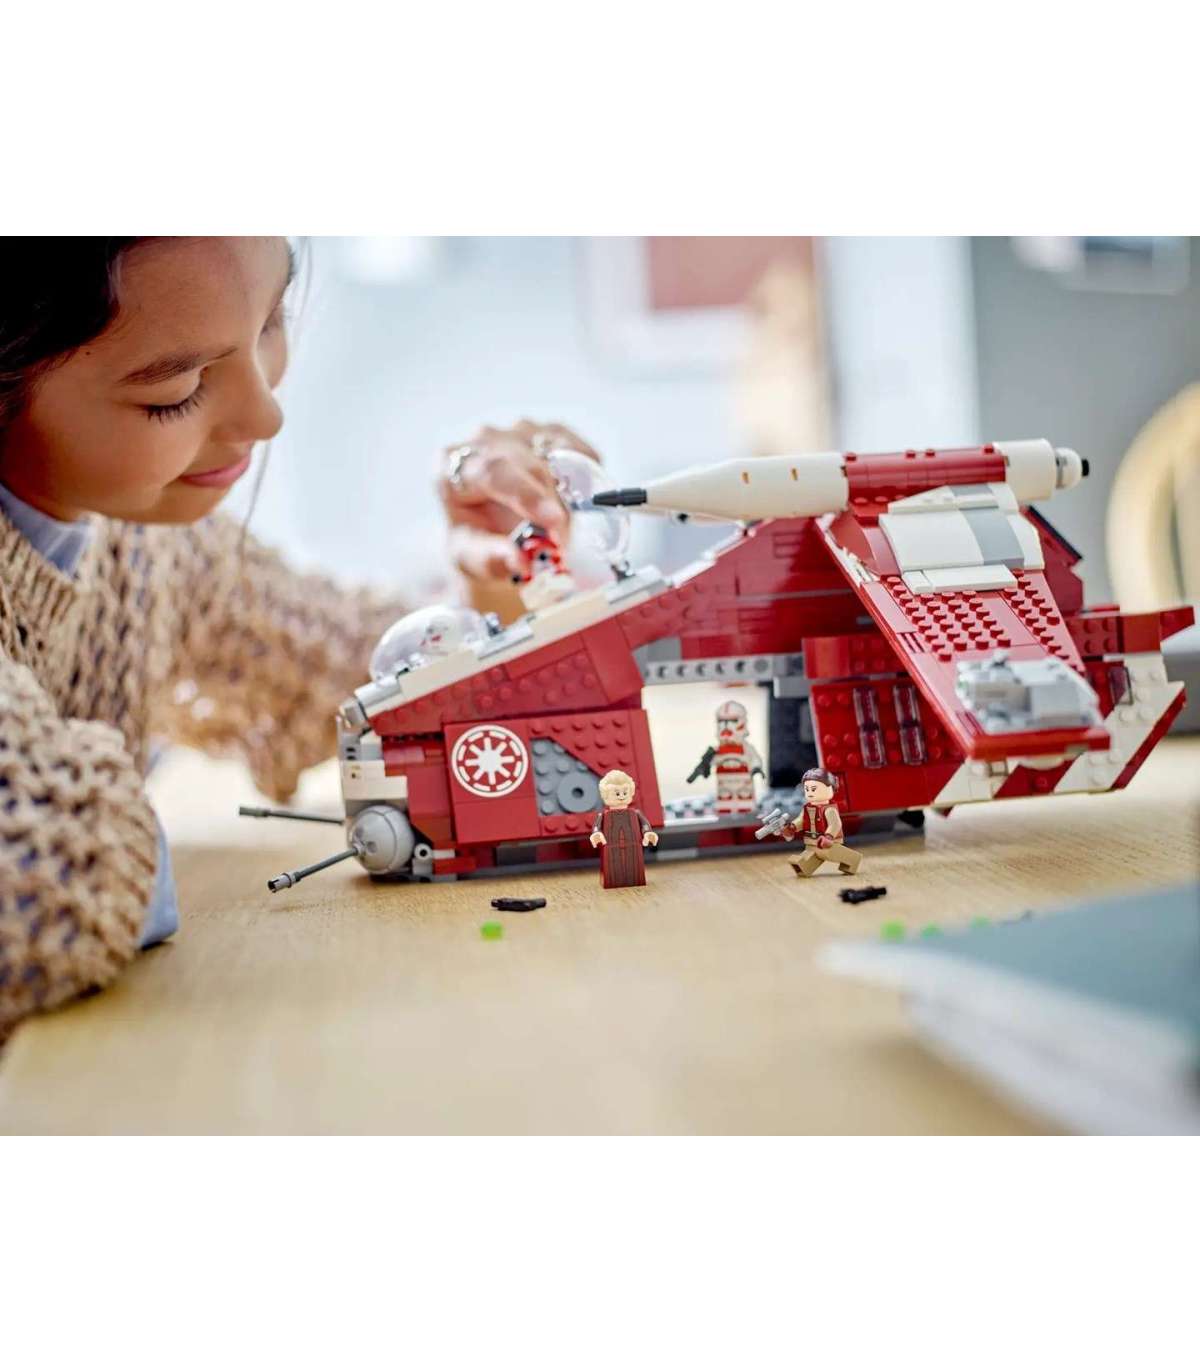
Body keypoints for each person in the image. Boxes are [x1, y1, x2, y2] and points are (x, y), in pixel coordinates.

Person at [0, 236, 601, 1038]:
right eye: (176, 391)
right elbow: (42, 879)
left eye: (270, 322)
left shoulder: (152, 549)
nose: (267, 415)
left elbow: (363, 669)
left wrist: (487, 583)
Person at [589, 770, 658, 889]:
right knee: (613, 870)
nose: (621, 796)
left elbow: (644, 825)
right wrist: (596, 834)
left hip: (634, 847)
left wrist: (647, 833)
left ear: (631, 793)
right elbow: (596, 827)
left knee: (634, 868)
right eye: (617, 793)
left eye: (625, 792)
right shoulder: (604, 815)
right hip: (610, 848)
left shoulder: (635, 813)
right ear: (605, 795)